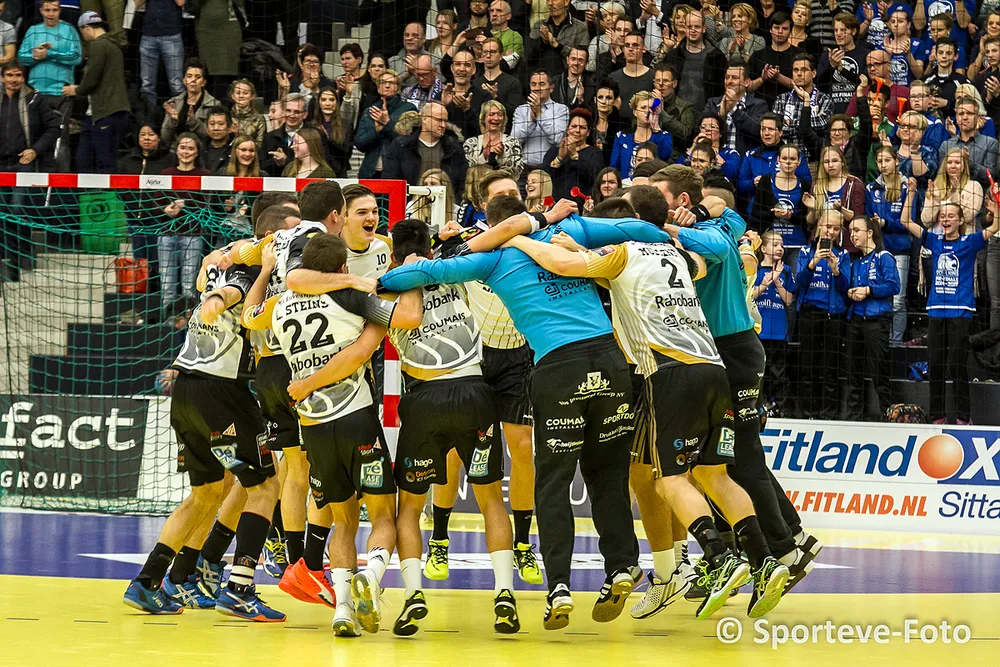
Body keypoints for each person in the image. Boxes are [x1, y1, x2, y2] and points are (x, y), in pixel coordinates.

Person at [503, 196, 791, 622]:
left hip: (672, 373)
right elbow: (701, 264)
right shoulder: (675, 254)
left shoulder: (620, 252)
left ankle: (717, 556)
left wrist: (520, 239)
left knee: (669, 481)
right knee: (714, 475)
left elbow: (561, 266)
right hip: (715, 368)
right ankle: (764, 560)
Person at [378, 195, 643, 632]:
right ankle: (616, 567)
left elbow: (416, 285)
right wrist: (671, 235)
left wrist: (376, 283)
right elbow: (633, 230)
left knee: (548, 478)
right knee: (605, 474)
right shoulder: (565, 236)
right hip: (599, 360)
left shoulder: (484, 257)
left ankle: (556, 586)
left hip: (538, 364)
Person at [264, 233, 420, 635]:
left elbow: (258, 320)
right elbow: (406, 319)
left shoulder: (281, 306)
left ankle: (343, 610)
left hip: (313, 427)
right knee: (383, 514)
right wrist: (407, 278)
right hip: (356, 418)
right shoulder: (350, 297)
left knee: (342, 521)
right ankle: (373, 573)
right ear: (342, 268)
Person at [123, 247, 284, 621]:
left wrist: (215, 265)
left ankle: (150, 582)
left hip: (185, 391)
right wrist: (217, 299)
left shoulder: (222, 265)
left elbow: (208, 269)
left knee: (208, 492)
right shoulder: (248, 275)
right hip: (221, 393)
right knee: (265, 486)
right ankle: (239, 589)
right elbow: (228, 292)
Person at [384, 218, 521, 636]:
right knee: (491, 501)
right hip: (474, 392)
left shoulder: (384, 289)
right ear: (430, 251)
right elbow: (484, 241)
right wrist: (450, 238)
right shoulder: (456, 273)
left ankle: (413, 594)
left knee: (409, 508)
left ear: (392, 256)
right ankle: (504, 593)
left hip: (424, 398)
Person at [900, 181, 1000, 423]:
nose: (945, 219)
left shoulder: (970, 242)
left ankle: (963, 417)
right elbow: (905, 222)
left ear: (961, 220)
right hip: (936, 310)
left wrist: (995, 207)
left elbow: (995, 226)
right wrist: (911, 193)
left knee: (956, 366)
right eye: (943, 216)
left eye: (951, 216)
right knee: (935, 365)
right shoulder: (933, 240)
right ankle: (937, 416)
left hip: (960, 311)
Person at [795, 209, 852, 419]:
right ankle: (808, 413)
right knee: (808, 366)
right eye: (828, 226)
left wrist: (836, 270)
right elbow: (799, 282)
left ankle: (829, 415)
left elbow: (845, 288)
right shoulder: (805, 251)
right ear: (819, 225)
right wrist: (813, 263)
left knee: (831, 367)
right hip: (809, 313)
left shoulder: (843, 255)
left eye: (836, 228)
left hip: (833, 315)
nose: (831, 232)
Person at [845, 217, 900, 421]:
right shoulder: (856, 262)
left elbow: (894, 286)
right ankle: (853, 417)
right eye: (851, 231)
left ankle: (888, 415)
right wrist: (851, 292)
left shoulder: (884, 257)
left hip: (877, 321)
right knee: (853, 371)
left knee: (879, 371)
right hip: (856, 319)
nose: (852, 235)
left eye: (856, 230)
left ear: (870, 233)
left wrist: (869, 290)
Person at [18, 0, 80, 170]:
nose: (51, 14)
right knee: (33, 138)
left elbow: (77, 57)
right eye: (47, 10)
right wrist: (35, 56)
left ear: (60, 11)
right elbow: (21, 57)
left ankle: (62, 180)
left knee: (61, 139)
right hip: (36, 94)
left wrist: (49, 54)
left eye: (54, 10)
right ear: (41, 11)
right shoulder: (33, 31)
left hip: (61, 93)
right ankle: (34, 178)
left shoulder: (68, 30)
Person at [63, 11, 128, 174]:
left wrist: (76, 90)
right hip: (99, 113)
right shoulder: (113, 45)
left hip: (105, 111)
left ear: (86, 28)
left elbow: (92, 79)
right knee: (87, 159)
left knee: (103, 163)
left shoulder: (99, 45)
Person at [867, 145, 914, 345]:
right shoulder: (871, 188)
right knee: (880, 297)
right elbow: (868, 219)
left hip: (900, 249)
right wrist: (875, 224)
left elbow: (910, 222)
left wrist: (886, 223)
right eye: (879, 161)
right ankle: (882, 340)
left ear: (896, 161)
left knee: (898, 299)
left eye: (887, 160)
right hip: (878, 250)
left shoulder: (906, 187)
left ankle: (896, 343)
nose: (883, 165)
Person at [753, 230, 796, 414]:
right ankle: (759, 407)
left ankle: (779, 407)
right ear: (763, 248)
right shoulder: (754, 269)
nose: (780, 248)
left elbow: (789, 300)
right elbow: (749, 296)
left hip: (779, 332)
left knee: (779, 373)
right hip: (759, 331)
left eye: (782, 245)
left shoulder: (786, 271)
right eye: (775, 244)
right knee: (759, 372)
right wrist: (765, 283)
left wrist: (777, 281)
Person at [384, 101, 468, 193]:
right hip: (409, 201)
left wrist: (453, 201)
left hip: (444, 201)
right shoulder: (401, 145)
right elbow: (390, 179)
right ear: (424, 119)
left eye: (445, 121)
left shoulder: (454, 149)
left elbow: (462, 184)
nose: (443, 125)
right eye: (439, 120)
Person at [750, 144, 811, 255]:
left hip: (797, 244)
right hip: (770, 245)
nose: (788, 162)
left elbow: (806, 219)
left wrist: (790, 216)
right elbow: (756, 213)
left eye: (792, 159)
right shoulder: (765, 181)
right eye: (784, 158)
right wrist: (773, 214)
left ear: (799, 161)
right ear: (778, 160)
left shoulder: (804, 185)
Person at [772, 53, 833, 163]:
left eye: (804, 70)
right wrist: (804, 125)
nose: (799, 74)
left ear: (814, 73)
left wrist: (789, 123)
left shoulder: (824, 99)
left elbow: (822, 126)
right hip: (785, 161)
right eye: (795, 70)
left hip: (814, 160)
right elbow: (776, 129)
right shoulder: (782, 99)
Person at [356, 71, 417, 178]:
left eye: (391, 83)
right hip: (370, 173)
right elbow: (360, 143)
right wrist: (377, 130)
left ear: (398, 87)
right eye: (383, 82)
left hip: (397, 172)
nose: (387, 85)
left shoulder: (408, 109)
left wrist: (387, 124)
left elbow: (410, 141)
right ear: (378, 87)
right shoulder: (370, 111)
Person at [664, 10, 727, 114]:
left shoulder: (717, 57)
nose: (693, 30)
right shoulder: (673, 56)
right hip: (677, 116)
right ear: (685, 28)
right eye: (689, 27)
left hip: (707, 116)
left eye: (697, 27)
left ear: (703, 28)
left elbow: (723, 89)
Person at [703, 64, 770, 156]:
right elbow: (702, 129)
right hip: (714, 157)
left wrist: (734, 110)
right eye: (727, 77)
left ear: (746, 82)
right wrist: (721, 116)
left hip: (745, 160)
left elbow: (757, 131)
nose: (729, 81)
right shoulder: (713, 103)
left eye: (734, 78)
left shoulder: (759, 105)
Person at [512, 70, 570, 172]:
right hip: (524, 169)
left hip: (551, 168)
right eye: (533, 84)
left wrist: (539, 114)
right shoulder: (521, 110)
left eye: (542, 84)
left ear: (551, 88)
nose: (537, 88)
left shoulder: (561, 109)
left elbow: (557, 139)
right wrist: (531, 120)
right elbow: (514, 141)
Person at [544, 108, 604, 203]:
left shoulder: (595, 153)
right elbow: (544, 176)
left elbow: (595, 178)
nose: (577, 130)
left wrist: (574, 156)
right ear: (568, 129)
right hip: (555, 204)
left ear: (588, 132)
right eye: (574, 126)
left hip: (583, 205)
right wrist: (560, 158)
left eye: (582, 127)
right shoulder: (553, 151)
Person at [609, 91, 673, 179]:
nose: (648, 111)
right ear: (635, 112)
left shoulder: (664, 136)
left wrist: (656, 127)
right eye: (643, 107)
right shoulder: (622, 136)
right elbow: (614, 167)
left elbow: (665, 156)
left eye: (651, 108)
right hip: (626, 184)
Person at [817, 12, 871, 114]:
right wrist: (832, 66)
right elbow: (820, 85)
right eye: (836, 30)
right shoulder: (827, 56)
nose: (838, 34)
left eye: (843, 30)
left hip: (857, 111)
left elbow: (864, 82)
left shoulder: (865, 55)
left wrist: (842, 69)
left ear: (853, 31)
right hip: (832, 112)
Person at [161, 59, 221, 148]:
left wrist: (194, 122)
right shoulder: (174, 103)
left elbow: (212, 136)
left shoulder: (214, 104)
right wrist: (172, 120)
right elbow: (165, 137)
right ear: (184, 80)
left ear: (204, 82)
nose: (193, 80)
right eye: (189, 76)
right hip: (176, 151)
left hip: (202, 151)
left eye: (197, 77)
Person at [135, 0, 184, 107]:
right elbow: (137, 3)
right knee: (147, 84)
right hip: (148, 34)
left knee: (176, 84)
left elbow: (181, 2)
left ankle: (180, 114)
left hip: (172, 35)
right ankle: (149, 115)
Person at [922, 147, 984, 227]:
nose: (953, 166)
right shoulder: (936, 186)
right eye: (949, 162)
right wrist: (936, 200)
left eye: (957, 163)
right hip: (936, 234)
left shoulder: (974, 186)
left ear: (964, 166)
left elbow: (967, 217)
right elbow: (926, 222)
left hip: (962, 234)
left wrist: (954, 194)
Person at [527, 0, 590, 78]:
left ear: (566, 2)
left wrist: (557, 45)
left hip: (566, 78)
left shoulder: (579, 28)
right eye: (548, 0)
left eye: (555, 0)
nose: (550, 3)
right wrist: (543, 41)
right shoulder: (538, 26)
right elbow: (528, 55)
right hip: (539, 77)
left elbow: (582, 57)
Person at [473, 38, 526, 128]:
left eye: (493, 52)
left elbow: (515, 114)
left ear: (501, 55)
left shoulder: (513, 83)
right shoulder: (475, 84)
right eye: (485, 52)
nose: (488, 56)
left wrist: (495, 98)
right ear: (482, 55)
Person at [464, 100, 523, 179]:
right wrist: (483, 156)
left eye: (500, 115)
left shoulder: (513, 142)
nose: (496, 118)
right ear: (483, 118)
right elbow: (468, 171)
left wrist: (502, 156)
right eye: (491, 114)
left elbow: (517, 171)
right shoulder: (471, 143)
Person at [749, 12, 797, 106]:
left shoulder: (799, 55)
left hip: (790, 106)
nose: (780, 31)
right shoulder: (758, 55)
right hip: (761, 107)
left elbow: (803, 86)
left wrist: (779, 77)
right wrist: (762, 78)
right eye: (776, 28)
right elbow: (748, 87)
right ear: (770, 30)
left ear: (790, 31)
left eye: (785, 28)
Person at [609, 31, 655, 127]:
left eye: (635, 45)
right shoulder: (613, 77)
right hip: (618, 129)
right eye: (627, 45)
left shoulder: (653, 76)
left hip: (647, 129)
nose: (630, 49)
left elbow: (659, 102)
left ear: (644, 49)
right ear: (623, 49)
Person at [443, 47, 490, 139]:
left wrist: (467, 110)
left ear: (474, 70)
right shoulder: (441, 96)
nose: (462, 69)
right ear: (452, 68)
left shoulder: (485, 97)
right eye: (458, 64)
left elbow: (485, 130)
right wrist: (443, 106)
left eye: (467, 65)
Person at [652, 64, 695, 158]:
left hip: (673, 157)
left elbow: (686, 135)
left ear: (674, 83)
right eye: (658, 80)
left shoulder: (685, 107)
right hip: (649, 152)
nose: (661, 84)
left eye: (665, 81)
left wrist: (661, 112)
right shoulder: (646, 102)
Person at [260, 93, 309, 176]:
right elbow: (261, 167)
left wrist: (287, 161)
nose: (292, 115)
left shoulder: (316, 135)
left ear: (305, 115)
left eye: (296, 112)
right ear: (283, 112)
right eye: (288, 111)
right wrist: (277, 161)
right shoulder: (269, 137)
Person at [311, 87, 352, 177]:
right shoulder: (311, 126)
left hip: (338, 173)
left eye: (332, 100)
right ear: (318, 103)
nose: (328, 103)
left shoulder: (345, 125)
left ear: (337, 103)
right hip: (316, 173)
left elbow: (347, 153)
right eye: (323, 100)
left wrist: (328, 139)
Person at [229, 79, 266, 147]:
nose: (241, 96)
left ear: (252, 96)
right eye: (238, 93)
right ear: (233, 96)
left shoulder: (259, 119)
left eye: (245, 93)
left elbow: (260, 144)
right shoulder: (227, 116)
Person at [201, 106, 233, 174]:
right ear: (206, 128)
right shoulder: (199, 149)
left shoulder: (236, 150)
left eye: (221, 124)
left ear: (230, 127)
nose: (216, 128)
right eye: (212, 124)